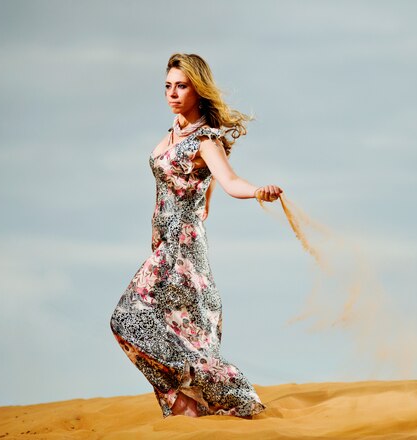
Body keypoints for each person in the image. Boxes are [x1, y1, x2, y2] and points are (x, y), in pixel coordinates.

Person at [110, 53, 282, 418]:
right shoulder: (174, 131)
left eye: (181, 86)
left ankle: (228, 391)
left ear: (198, 89)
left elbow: (230, 180)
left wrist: (257, 191)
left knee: (126, 319)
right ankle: (187, 406)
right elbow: (198, 184)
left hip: (182, 249)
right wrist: (206, 201)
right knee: (169, 327)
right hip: (163, 243)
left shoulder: (205, 139)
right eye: (168, 86)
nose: (172, 93)